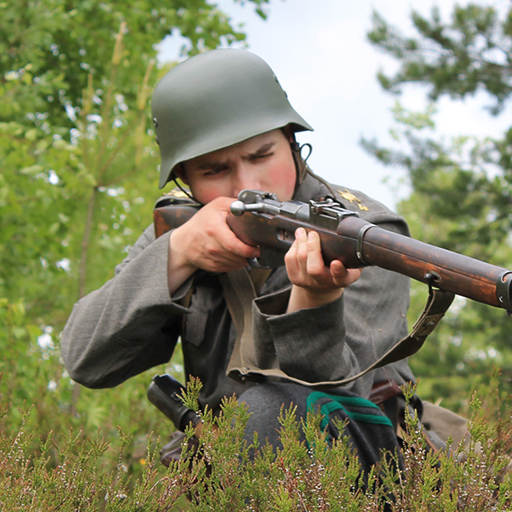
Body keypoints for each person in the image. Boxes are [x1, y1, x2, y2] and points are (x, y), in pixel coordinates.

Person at [61, 49, 415, 467]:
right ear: (185, 180)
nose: (247, 185)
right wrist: (177, 256)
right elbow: (86, 360)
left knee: (271, 411)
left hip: (365, 462)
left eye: (261, 156)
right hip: (230, 462)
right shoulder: (184, 231)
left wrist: (314, 303)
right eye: (215, 171)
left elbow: (332, 398)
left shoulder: (363, 234)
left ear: (292, 142)